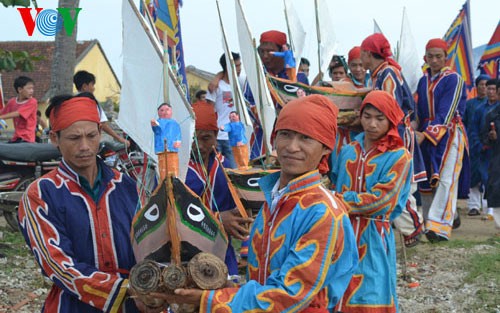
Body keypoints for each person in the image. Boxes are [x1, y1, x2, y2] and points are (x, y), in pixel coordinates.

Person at [153, 95, 358, 312]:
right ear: (274, 139)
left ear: (326, 148)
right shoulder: (274, 198)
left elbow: (291, 293)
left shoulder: (321, 212)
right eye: (285, 135)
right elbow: (263, 278)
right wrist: (227, 288)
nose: (292, 147)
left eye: (305, 138)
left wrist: (212, 300)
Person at [17, 94, 142, 312]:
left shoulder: (127, 186)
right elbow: (56, 263)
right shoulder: (40, 194)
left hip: (136, 303)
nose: (85, 146)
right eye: (74, 138)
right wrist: (123, 290)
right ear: (55, 138)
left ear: (100, 133)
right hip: (74, 305)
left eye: (91, 136)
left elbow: (149, 246)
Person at [331, 90, 413, 312]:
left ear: (391, 120)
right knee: (338, 289)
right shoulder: (348, 150)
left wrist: (338, 200)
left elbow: (384, 199)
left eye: (380, 118)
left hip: (374, 234)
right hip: (342, 233)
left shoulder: (399, 156)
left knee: (373, 287)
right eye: (367, 116)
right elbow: (334, 180)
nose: (372, 124)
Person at [361, 32, 425, 247]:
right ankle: (410, 227)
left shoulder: (387, 74)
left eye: (362, 54)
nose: (361, 58)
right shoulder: (380, 73)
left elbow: (387, 108)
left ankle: (413, 228)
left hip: (395, 132)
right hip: (391, 130)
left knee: (400, 181)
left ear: (369, 54)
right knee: (395, 180)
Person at [185, 101, 254, 277]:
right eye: (193, 138)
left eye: (206, 138)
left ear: (216, 136)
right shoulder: (176, 170)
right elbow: (170, 215)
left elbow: (237, 208)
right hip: (185, 254)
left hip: (223, 253)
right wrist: (217, 219)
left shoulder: (226, 166)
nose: (199, 145)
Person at [415, 38, 467, 242]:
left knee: (446, 178)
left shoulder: (454, 78)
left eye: (439, 56)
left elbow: (447, 113)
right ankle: (433, 220)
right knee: (426, 180)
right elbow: (420, 111)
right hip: (426, 133)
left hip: (450, 133)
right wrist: (415, 127)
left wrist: (425, 134)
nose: (435, 60)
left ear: (447, 58)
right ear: (424, 57)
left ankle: (439, 228)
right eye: (431, 56)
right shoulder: (422, 81)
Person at [73, 70, 130, 147]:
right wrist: (119, 139)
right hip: (89, 143)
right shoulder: (91, 102)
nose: (94, 88)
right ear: (85, 86)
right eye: (92, 85)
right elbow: (102, 124)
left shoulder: (71, 102)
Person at [206, 52, 243, 169]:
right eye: (236, 66)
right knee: (216, 170)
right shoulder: (217, 86)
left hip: (234, 137)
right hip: (218, 136)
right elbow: (209, 111)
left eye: (240, 65)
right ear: (228, 67)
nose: (239, 69)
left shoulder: (240, 83)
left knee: (235, 170)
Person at [464, 74, 490, 216]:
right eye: (481, 84)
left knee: (488, 175)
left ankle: (488, 207)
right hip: (473, 145)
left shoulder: (495, 105)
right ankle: (473, 206)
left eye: (487, 85)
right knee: (473, 175)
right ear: (477, 86)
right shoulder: (470, 104)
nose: (484, 88)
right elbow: (465, 122)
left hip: (490, 146)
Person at [481, 84, 500, 230]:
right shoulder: (492, 115)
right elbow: (484, 136)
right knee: (496, 188)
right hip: (497, 156)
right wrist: (491, 136)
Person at [0, 76, 37, 143]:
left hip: (27, 139)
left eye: (32, 88)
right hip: (16, 137)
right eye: (29, 88)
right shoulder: (12, 101)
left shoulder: (32, 102)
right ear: (20, 89)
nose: (32, 91)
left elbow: (18, 113)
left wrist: (1, 117)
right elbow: (3, 112)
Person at [151, 102, 181, 180]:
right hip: (162, 149)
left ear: (171, 111)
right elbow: (157, 131)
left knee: (173, 167)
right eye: (162, 110)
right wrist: (154, 125)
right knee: (163, 168)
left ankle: (174, 181)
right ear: (158, 112)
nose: (165, 112)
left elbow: (178, 133)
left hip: (172, 149)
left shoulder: (174, 123)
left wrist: (178, 141)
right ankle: (165, 182)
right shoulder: (158, 122)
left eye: (167, 110)